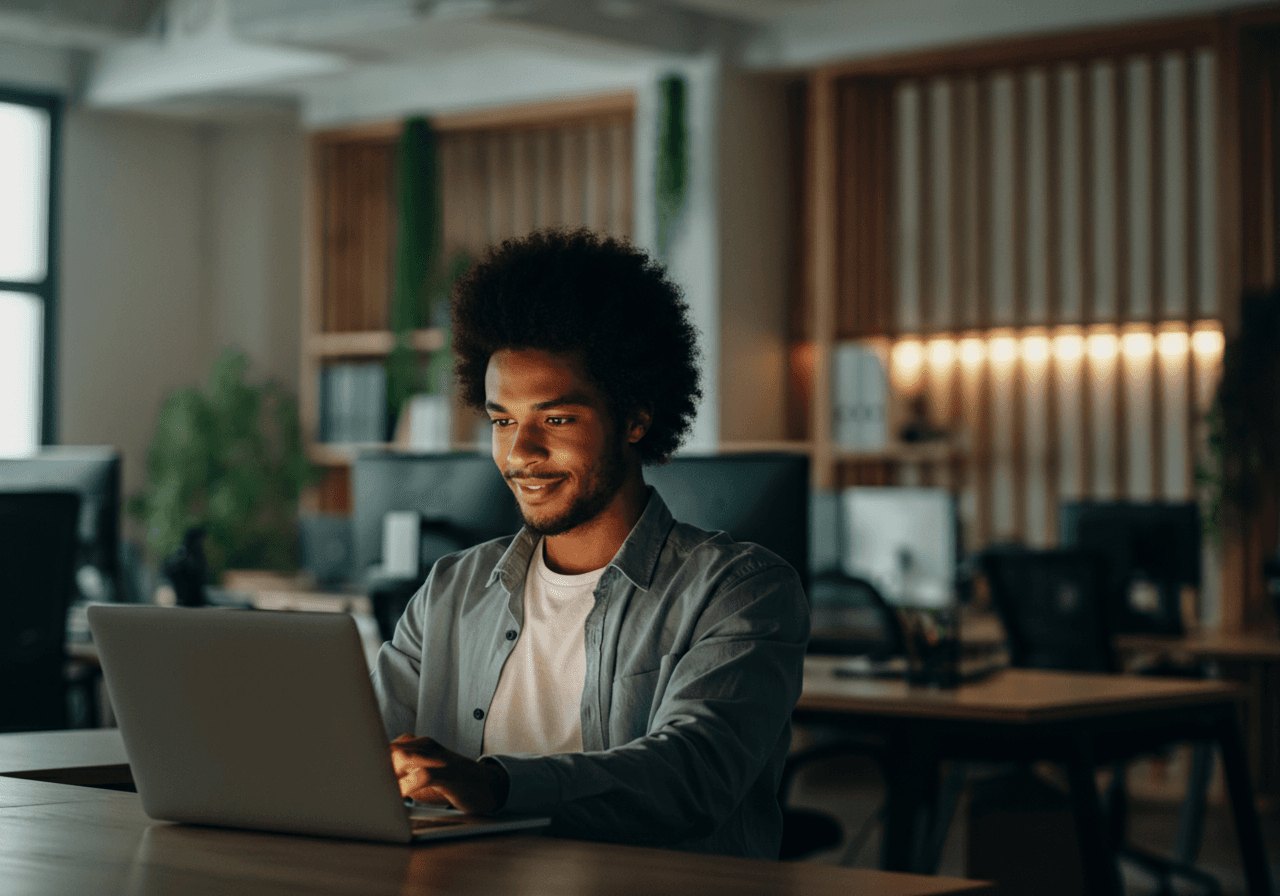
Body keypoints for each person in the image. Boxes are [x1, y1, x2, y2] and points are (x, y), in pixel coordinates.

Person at [371, 228, 809, 859]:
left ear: (635, 417)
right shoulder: (452, 589)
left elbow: (690, 779)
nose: (520, 452)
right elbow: (356, 754)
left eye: (556, 419)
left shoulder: (740, 592)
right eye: (502, 421)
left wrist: (494, 783)